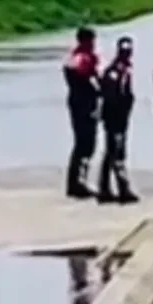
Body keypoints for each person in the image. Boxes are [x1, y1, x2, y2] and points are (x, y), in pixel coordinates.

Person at [97, 36, 139, 204]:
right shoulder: (116, 72)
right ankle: (123, 188)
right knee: (117, 153)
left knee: (110, 153)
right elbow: (112, 96)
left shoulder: (123, 70)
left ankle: (104, 189)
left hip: (118, 117)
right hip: (115, 118)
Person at [63, 27, 101, 199]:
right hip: (84, 104)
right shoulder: (84, 59)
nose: (94, 44)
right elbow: (91, 82)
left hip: (75, 101)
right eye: (92, 41)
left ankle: (74, 182)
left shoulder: (72, 58)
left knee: (80, 143)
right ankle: (79, 183)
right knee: (86, 143)